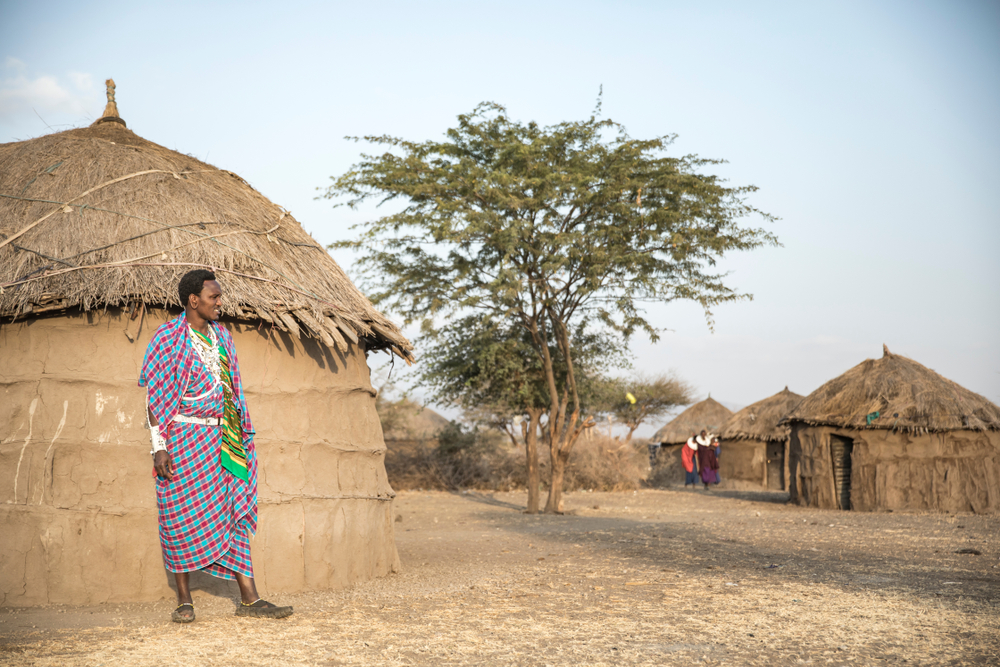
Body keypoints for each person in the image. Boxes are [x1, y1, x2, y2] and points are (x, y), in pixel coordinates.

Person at [140, 269, 292, 623]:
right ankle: (183, 599)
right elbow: (153, 397)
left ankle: (250, 599)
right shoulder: (167, 338)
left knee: (232, 512)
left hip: (222, 440)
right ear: (194, 300)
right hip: (181, 440)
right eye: (214, 297)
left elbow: (232, 391)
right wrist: (158, 446)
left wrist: (238, 435)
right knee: (177, 516)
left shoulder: (222, 336)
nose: (220, 303)